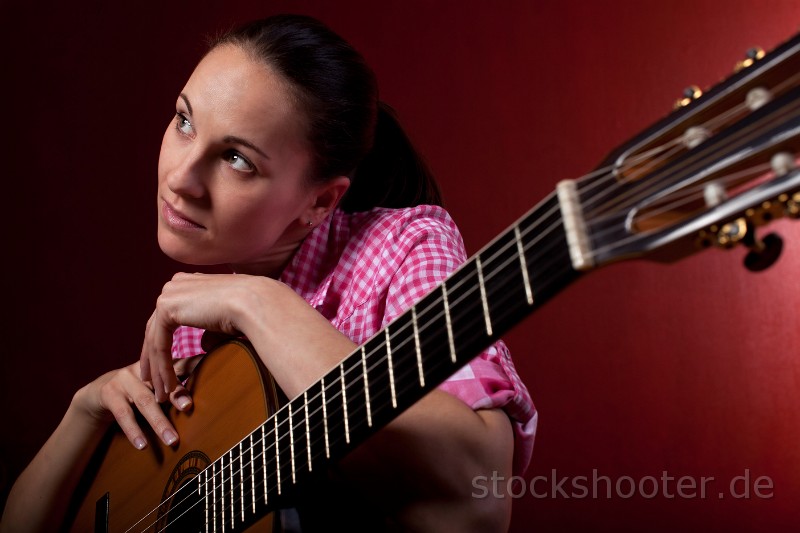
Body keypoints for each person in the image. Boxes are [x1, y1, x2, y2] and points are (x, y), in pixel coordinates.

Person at [0, 14, 535, 532]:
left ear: (320, 202)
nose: (180, 178)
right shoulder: (195, 331)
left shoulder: (403, 246)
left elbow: (482, 496)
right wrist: (85, 414)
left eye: (237, 159)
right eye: (184, 121)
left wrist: (256, 303)